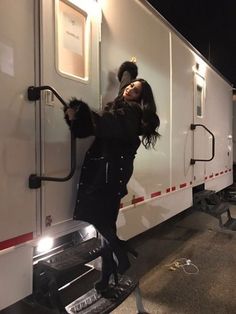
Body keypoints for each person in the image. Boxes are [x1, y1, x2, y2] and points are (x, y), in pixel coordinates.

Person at [64, 61, 160, 296]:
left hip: (107, 177)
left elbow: (107, 124)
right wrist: (128, 72)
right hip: (114, 176)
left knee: (94, 216)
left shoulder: (129, 113)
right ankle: (107, 277)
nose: (128, 90)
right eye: (130, 87)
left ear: (140, 100)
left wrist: (82, 116)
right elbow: (123, 88)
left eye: (135, 91)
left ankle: (120, 252)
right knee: (106, 223)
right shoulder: (126, 105)